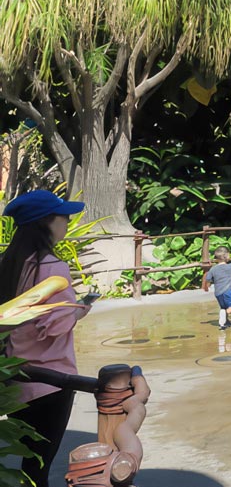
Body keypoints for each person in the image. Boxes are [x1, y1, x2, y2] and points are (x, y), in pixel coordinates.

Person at [0, 189, 91, 487]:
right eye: (63, 216)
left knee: (25, 462)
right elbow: (55, 326)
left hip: (15, 379)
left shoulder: (8, 263)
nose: (67, 221)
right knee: (38, 466)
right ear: (45, 222)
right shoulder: (54, 269)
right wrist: (80, 311)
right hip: (53, 380)